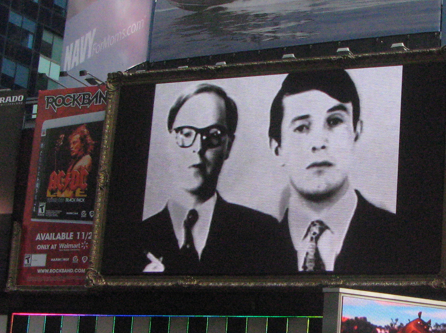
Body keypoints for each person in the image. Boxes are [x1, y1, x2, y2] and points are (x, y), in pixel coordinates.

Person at [113, 83, 293, 274]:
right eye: (186, 133)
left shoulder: (262, 234)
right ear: (169, 141)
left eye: (213, 135)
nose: (198, 147)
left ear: (228, 146)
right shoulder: (129, 241)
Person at [268, 69, 402, 273]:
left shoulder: (401, 237)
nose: (319, 143)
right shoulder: (254, 248)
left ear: (356, 132)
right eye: (302, 127)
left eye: (334, 121)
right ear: (277, 148)